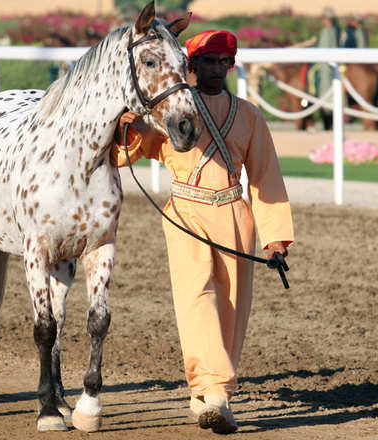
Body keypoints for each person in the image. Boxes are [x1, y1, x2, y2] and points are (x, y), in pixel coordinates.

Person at [110, 30, 294, 434]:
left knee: (231, 307)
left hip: (234, 213)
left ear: (231, 65)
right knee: (197, 299)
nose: (215, 68)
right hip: (185, 214)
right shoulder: (173, 108)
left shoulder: (249, 115)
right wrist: (128, 128)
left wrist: (275, 238)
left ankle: (203, 395)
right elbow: (125, 156)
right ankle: (217, 394)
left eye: (222, 61)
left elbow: (266, 176)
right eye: (207, 61)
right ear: (191, 67)